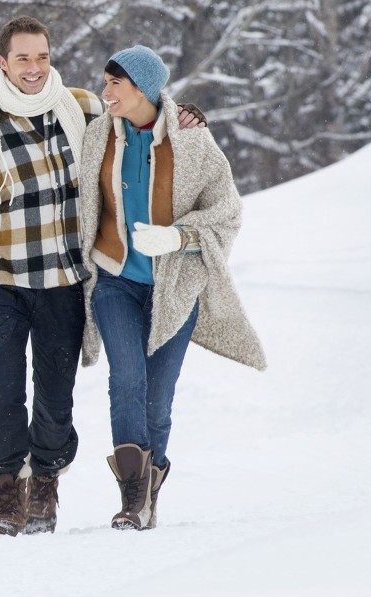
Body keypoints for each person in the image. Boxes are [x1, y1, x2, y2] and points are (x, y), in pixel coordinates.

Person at [0, 18, 203, 539]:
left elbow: (140, 116)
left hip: (65, 281)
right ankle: (7, 495)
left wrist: (180, 113)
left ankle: (46, 484)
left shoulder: (81, 108)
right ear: (2, 63)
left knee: (55, 396)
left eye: (42, 57)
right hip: (2, 281)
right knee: (3, 392)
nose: (34, 69)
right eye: (23, 59)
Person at [78, 44, 266, 531]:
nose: (106, 91)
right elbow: (54, 99)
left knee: (158, 397)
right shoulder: (97, 133)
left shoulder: (192, 141)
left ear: (142, 88)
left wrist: (179, 237)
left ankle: (148, 490)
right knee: (127, 381)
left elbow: (227, 212)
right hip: (115, 281)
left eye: (115, 84)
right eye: (105, 82)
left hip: (174, 286)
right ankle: (132, 496)